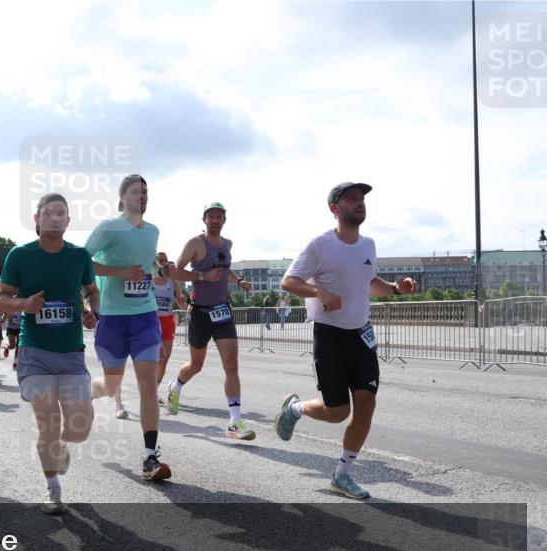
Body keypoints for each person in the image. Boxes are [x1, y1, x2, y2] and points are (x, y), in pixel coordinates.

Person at [274, 182, 417, 500]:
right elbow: (289, 281)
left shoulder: (368, 244)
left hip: (362, 335)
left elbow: (369, 282)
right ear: (335, 208)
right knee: (337, 412)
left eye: (362, 198)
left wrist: (395, 287)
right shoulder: (320, 245)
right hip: (330, 336)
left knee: (366, 404)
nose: (360, 202)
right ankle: (294, 409)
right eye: (351, 198)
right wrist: (320, 292)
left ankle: (342, 474)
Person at [0, 192, 99, 513]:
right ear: (36, 220)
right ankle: (53, 488)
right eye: (49, 212)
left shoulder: (79, 256)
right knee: (48, 424)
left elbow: (92, 291)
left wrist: (93, 312)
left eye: (61, 213)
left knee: (80, 429)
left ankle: (59, 448)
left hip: (71, 353)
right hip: (35, 352)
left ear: (68, 221)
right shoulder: (19, 255)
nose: (55, 217)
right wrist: (25, 304)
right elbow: (1, 297)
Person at [86, 174, 170, 481]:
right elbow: (83, 261)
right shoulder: (109, 228)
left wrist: (159, 269)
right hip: (112, 317)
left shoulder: (153, 231)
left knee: (148, 383)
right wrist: (118, 271)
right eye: (137, 192)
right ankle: (86, 394)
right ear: (123, 198)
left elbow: (148, 269)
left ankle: (150, 457)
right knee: (111, 386)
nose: (143, 196)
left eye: (146, 192)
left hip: (145, 315)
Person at [166, 202, 256, 441]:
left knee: (231, 364)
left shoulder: (228, 244)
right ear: (204, 220)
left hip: (223, 310)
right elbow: (176, 271)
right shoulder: (195, 243)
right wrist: (202, 275)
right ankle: (175, 386)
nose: (215, 220)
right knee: (196, 365)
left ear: (224, 220)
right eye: (211, 217)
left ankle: (235, 421)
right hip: (200, 313)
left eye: (219, 216)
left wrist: (238, 281)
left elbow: (225, 270)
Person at [152, 253, 187, 387]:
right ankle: (149, 388)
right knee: (155, 358)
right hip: (152, 322)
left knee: (164, 358)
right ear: (155, 263)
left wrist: (183, 301)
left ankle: (154, 388)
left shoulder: (172, 282)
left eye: (165, 260)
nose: (163, 262)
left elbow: (182, 305)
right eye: (160, 260)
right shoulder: (149, 281)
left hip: (167, 322)